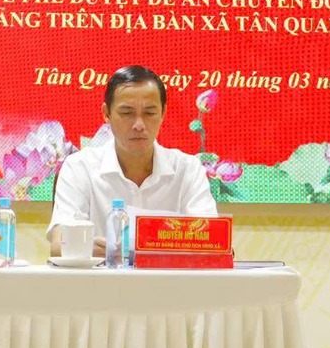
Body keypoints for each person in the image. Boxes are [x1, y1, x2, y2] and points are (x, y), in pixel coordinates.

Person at [48, 65, 214, 257]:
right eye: (127, 113)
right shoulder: (79, 167)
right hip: (101, 275)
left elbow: (210, 240)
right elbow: (58, 245)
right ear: (106, 113)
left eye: (149, 113)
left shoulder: (188, 170)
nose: (139, 125)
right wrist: (85, 247)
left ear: (163, 113)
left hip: (167, 277)